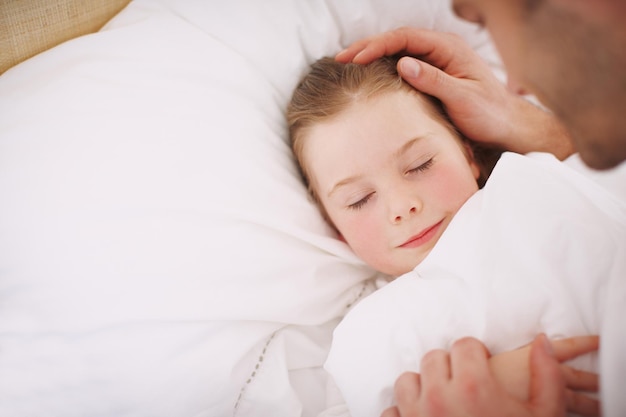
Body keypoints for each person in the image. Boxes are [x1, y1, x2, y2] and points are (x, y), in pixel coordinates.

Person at [333, 2, 626, 416]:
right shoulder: (372, 336)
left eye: (421, 164)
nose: (402, 206)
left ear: (470, 154)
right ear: (333, 227)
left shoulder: (536, 186)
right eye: (358, 200)